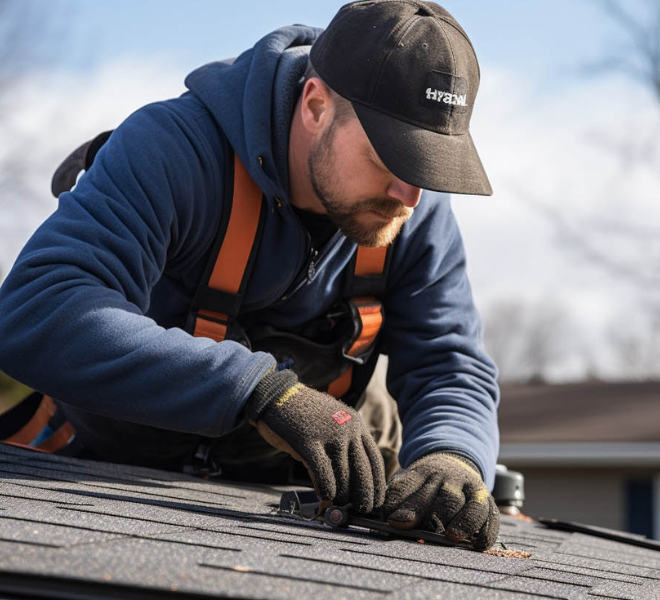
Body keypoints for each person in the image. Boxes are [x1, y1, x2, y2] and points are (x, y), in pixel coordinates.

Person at [0, 0, 501, 550]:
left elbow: (448, 364)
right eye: (394, 157)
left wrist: (453, 454)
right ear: (315, 106)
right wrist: (258, 390)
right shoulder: (173, 149)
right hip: (87, 473)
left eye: (429, 167)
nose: (410, 196)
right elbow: (36, 310)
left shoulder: (413, 212)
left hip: (273, 505)